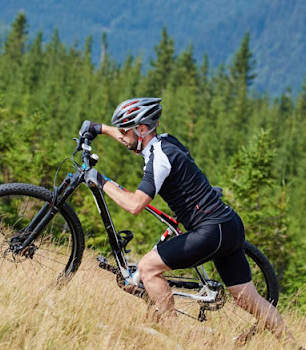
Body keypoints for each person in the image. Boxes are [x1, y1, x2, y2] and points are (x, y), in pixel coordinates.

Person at [80, 97, 293, 343]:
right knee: (247, 298)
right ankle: (293, 345)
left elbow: (135, 205)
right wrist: (99, 128)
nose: (123, 136)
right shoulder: (165, 141)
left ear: (141, 129)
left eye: (125, 129)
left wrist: (101, 182)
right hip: (229, 225)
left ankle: (177, 339)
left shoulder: (158, 158)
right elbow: (128, 138)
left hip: (210, 230)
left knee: (148, 268)